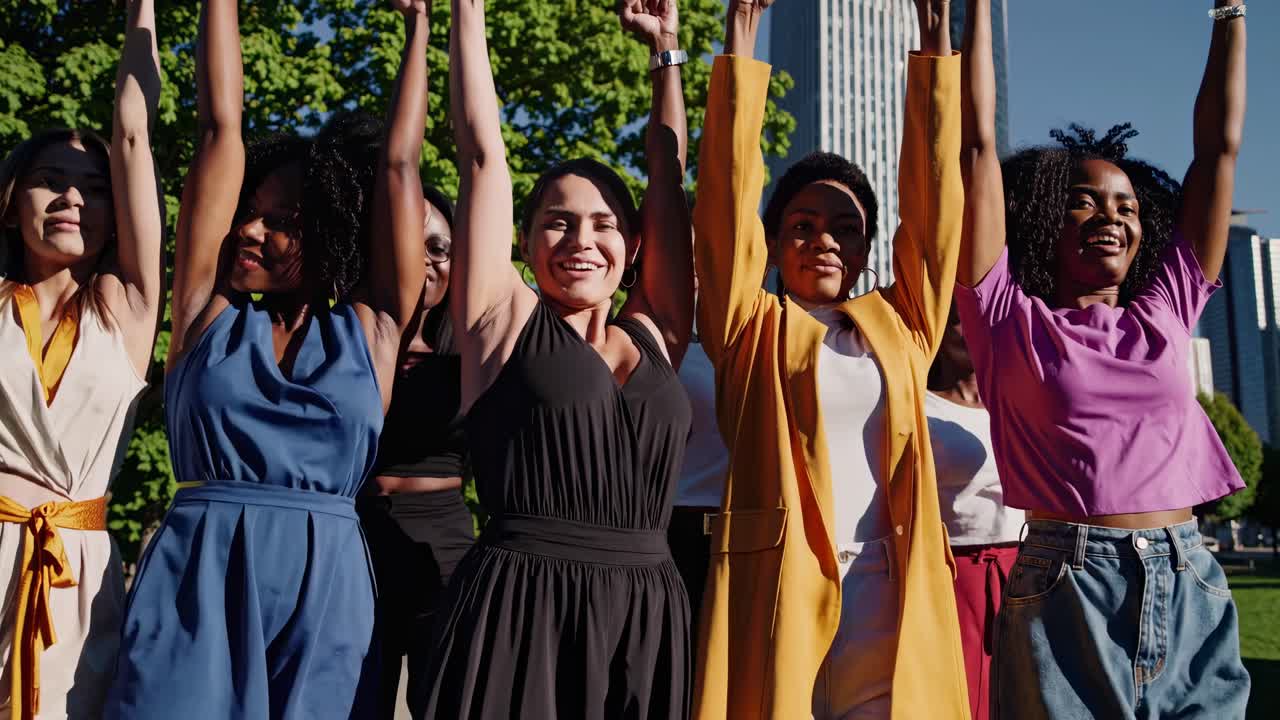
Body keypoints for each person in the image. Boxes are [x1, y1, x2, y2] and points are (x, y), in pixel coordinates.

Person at [103, 0, 427, 716]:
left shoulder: (373, 332)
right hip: (197, 571)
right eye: (249, 211)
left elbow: (400, 167)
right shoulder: (202, 314)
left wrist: (421, 26)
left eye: (282, 224)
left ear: (334, 234)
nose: (249, 230)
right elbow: (221, 126)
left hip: (328, 588)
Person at [953, 0, 1250, 717]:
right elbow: (976, 148)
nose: (1110, 216)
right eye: (1084, 204)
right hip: (1066, 588)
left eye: (1126, 206)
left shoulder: (1170, 307)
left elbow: (1218, 151)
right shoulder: (1006, 319)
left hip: (1190, 577)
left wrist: (1231, 13)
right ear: (1045, 223)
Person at [691, 1, 969, 718]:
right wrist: (740, 47)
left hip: (891, 590)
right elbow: (724, 197)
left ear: (868, 251)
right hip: (780, 586)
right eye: (803, 226)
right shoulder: (748, 326)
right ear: (775, 244)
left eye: (846, 230)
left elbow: (936, 210)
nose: (825, 242)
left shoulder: (903, 327)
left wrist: (935, 53)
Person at [416, 0, 694, 716]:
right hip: (522, 610)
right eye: (557, 222)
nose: (580, 240)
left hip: (647, 615)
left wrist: (666, 51)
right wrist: (466, 11)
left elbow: (668, 179)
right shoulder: (499, 317)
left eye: (603, 224)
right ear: (527, 239)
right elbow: (481, 151)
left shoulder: (659, 330)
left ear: (631, 245)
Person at [0, 2, 162, 717]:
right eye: (50, 181)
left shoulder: (127, 311)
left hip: (77, 576)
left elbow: (132, 133)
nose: (72, 198)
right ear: (10, 203)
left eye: (94, 189)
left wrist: (143, 8)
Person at [356, 184, 474, 719]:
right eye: (409, 239)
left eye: (440, 247)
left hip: (446, 548)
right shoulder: (345, 336)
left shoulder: (475, 349)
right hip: (354, 544)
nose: (425, 259)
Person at [925, 305, 1023, 720]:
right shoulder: (920, 404)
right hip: (955, 570)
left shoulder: (1019, 400)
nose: (972, 329)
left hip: (1027, 566)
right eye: (958, 320)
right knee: (965, 697)